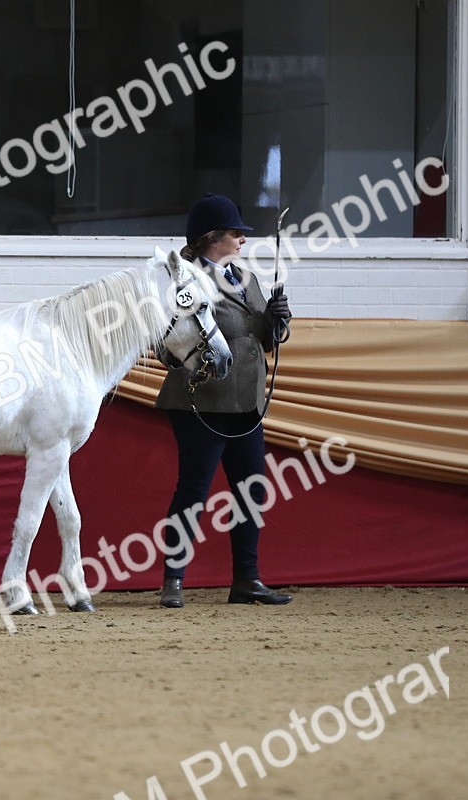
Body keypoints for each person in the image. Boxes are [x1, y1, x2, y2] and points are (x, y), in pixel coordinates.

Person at [154, 193, 292, 608]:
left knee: (251, 491)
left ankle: (247, 579)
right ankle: (173, 579)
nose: (243, 239)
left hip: (246, 403)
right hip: (202, 402)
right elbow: (167, 345)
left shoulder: (245, 278)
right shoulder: (183, 281)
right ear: (213, 238)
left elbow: (260, 339)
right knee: (193, 491)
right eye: (236, 233)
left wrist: (276, 320)